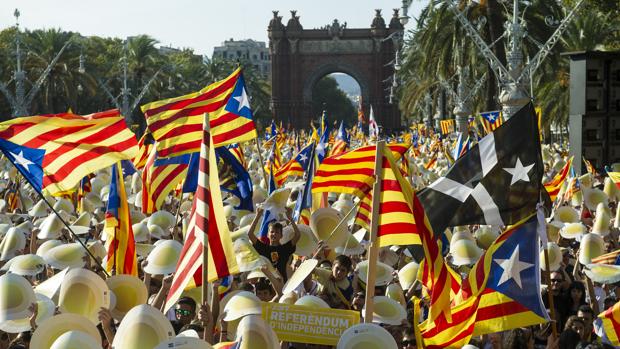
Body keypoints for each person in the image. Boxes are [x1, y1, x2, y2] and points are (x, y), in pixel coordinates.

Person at [248, 207, 301, 282]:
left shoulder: (285, 248)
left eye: (277, 232)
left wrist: (290, 218)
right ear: (267, 235)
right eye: (272, 232)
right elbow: (250, 234)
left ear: (281, 235)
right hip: (267, 285)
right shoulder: (263, 248)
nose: (274, 234)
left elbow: (298, 235)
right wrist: (257, 215)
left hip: (283, 284)